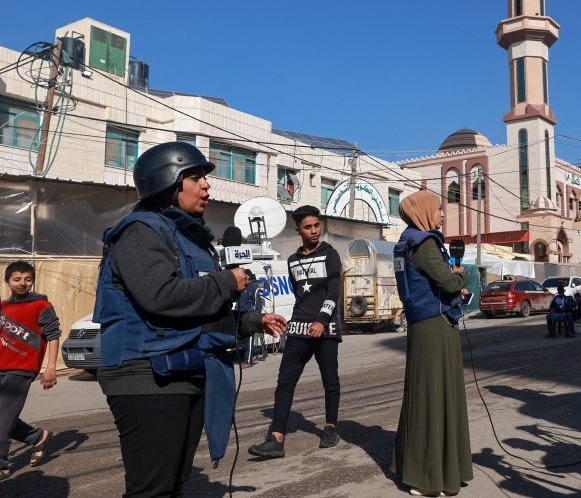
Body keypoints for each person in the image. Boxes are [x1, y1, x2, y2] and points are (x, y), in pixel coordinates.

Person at [94, 142, 286, 497]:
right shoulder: (140, 232)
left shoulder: (191, 240)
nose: (206, 185)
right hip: (145, 377)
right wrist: (227, 281)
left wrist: (252, 322)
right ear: (168, 183)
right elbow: (161, 296)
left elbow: (201, 312)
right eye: (195, 177)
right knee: (151, 489)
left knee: (175, 484)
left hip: (183, 370)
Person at [391, 191, 473, 497]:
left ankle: (436, 470)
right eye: (438, 209)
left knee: (430, 394)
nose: (441, 214)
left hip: (422, 323)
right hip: (435, 327)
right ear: (423, 211)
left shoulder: (404, 243)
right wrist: (462, 276)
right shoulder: (425, 243)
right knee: (434, 396)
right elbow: (449, 283)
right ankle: (428, 477)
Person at [249, 205, 344, 458]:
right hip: (299, 328)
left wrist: (322, 320)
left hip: (325, 329)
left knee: (330, 381)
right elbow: (300, 294)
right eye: (308, 227)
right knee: (284, 383)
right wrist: (303, 321)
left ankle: (331, 428)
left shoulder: (330, 254)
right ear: (298, 230)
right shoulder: (292, 261)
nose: (314, 231)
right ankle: (276, 439)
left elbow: (334, 292)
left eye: (316, 225)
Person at [0, 261, 60, 480]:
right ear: (6, 281)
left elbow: (53, 336)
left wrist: (50, 367)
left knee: (2, 420)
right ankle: (37, 437)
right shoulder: (3, 307)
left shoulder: (41, 305)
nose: (23, 283)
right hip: (1, 367)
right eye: (17, 279)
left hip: (22, 369)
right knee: (3, 418)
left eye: (28, 279)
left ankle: (2, 466)